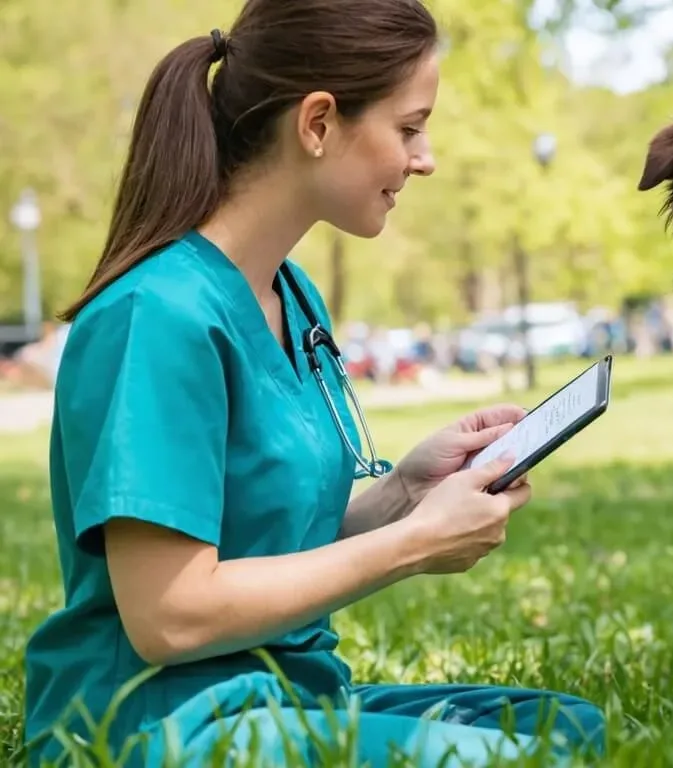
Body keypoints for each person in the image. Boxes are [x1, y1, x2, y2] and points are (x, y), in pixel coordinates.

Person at [20, 1, 606, 765]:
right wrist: (412, 545)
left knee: (568, 730)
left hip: (291, 699)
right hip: (157, 727)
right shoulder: (156, 316)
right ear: (319, 122)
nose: (424, 158)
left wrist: (404, 496)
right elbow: (170, 616)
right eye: (409, 127)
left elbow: (264, 550)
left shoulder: (293, 297)